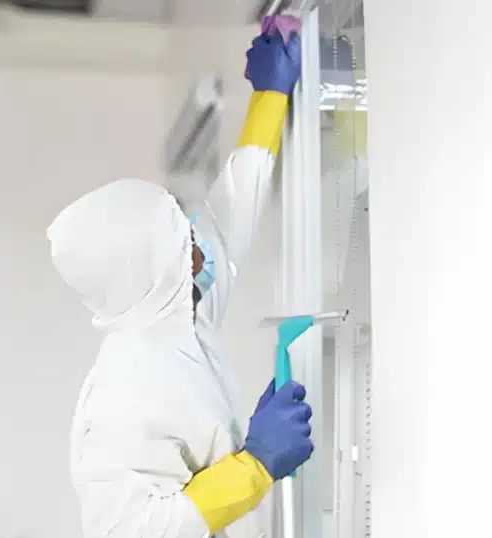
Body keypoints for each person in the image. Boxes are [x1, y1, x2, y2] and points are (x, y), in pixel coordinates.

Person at [47, 30, 311, 538]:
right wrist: (253, 466)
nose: (199, 240)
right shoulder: (122, 389)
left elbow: (229, 221)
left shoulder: (179, 318)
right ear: (154, 266)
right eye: (183, 236)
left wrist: (269, 99)